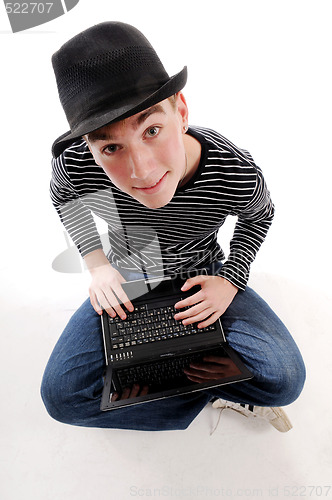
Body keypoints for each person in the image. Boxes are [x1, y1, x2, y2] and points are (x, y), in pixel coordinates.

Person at [41, 21, 306, 432]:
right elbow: (64, 200)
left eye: (152, 129)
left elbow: (259, 215)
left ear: (180, 111)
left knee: (284, 379)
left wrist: (231, 281)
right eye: (111, 146)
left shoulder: (232, 168)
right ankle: (210, 390)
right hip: (130, 274)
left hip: (202, 271)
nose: (142, 170)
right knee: (64, 399)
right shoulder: (76, 162)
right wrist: (98, 266)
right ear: (90, 148)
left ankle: (186, 380)